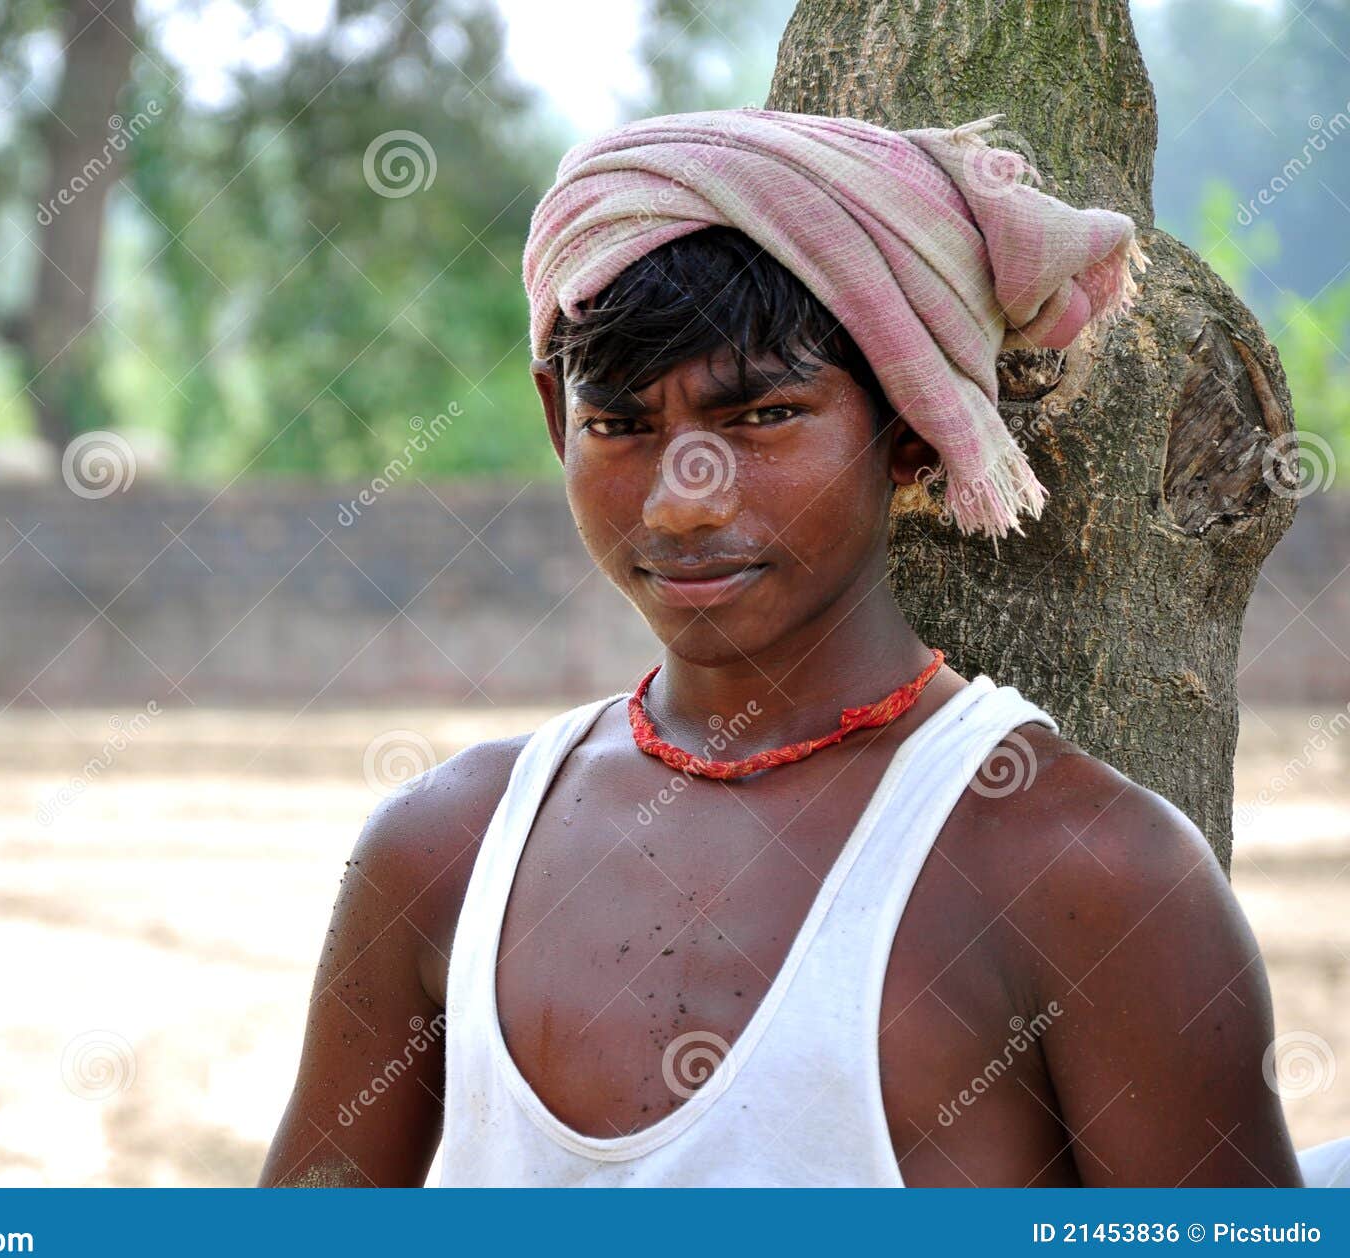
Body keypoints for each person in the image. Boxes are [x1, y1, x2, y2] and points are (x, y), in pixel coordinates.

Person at [259, 109, 1346, 1187]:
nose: (683, 504)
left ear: (913, 421)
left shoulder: (1089, 874)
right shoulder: (444, 849)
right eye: (620, 426)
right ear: (556, 421)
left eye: (763, 417)